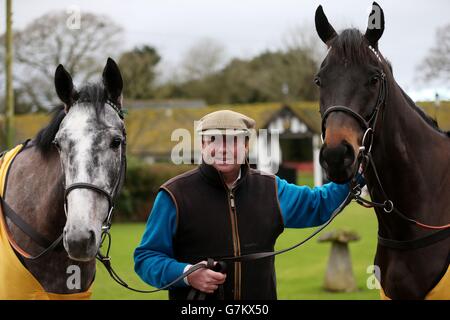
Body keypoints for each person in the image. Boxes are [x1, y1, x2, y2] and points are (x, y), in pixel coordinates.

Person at [134, 109, 363, 300]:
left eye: (232, 140)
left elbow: (318, 204)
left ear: (245, 146)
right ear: (202, 145)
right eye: (213, 139)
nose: (223, 149)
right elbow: (147, 258)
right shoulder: (174, 195)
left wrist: (360, 172)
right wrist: (186, 274)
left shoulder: (271, 188)